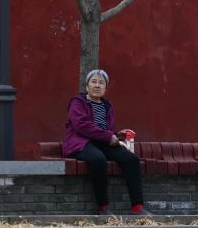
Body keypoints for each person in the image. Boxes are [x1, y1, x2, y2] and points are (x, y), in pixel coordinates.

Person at [62, 69, 152, 216]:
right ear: (87, 86)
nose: (97, 85)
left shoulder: (107, 106)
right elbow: (82, 125)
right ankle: (103, 207)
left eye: (101, 83)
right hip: (81, 143)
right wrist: (108, 136)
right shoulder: (77, 103)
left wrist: (117, 135)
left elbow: (106, 129)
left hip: (103, 142)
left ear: (105, 88)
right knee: (98, 159)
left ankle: (137, 207)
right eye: (94, 82)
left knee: (132, 159)